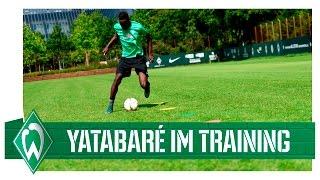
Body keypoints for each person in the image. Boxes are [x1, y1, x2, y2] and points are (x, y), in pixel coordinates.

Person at [103, 11, 154, 114]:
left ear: (128, 20)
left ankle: (147, 86)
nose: (123, 26)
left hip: (138, 58)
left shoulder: (138, 27)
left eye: (124, 23)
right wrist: (108, 47)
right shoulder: (117, 26)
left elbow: (148, 36)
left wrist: (150, 53)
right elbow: (116, 36)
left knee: (143, 84)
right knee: (117, 79)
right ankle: (110, 104)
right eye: (121, 24)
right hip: (125, 58)